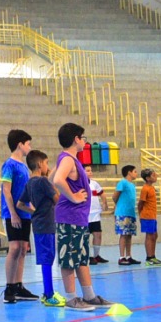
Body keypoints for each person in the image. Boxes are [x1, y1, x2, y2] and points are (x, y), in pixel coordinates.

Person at [52, 125, 111, 311]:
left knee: (81, 258)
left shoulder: (69, 159)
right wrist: (73, 197)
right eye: (82, 137)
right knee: (69, 258)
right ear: (76, 139)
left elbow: (51, 178)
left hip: (78, 219)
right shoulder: (68, 160)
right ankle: (71, 298)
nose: (84, 140)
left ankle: (89, 296)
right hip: (69, 218)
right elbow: (56, 180)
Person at [1, 129, 37, 303]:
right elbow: (6, 190)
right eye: (28, 143)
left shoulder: (24, 166)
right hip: (12, 213)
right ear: (19, 144)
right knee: (14, 248)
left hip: (25, 214)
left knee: (23, 249)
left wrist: (32, 211)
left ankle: (18, 286)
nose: (30, 147)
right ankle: (9, 287)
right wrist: (13, 214)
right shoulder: (9, 165)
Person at [23, 150, 63, 307]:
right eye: (46, 163)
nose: (47, 166)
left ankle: (48, 292)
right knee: (48, 259)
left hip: (38, 224)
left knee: (46, 258)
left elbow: (20, 203)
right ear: (40, 164)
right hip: (46, 224)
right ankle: (48, 294)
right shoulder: (43, 182)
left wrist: (34, 212)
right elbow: (57, 199)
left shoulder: (30, 183)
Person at [114, 165, 140, 265]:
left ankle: (128, 256)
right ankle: (121, 257)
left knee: (129, 235)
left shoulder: (132, 185)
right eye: (135, 171)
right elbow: (115, 196)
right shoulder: (123, 183)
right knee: (123, 234)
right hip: (122, 213)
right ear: (129, 172)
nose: (136, 173)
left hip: (130, 213)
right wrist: (119, 206)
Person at [139, 168, 161, 266]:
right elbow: (141, 203)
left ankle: (153, 256)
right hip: (147, 216)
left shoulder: (152, 188)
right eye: (153, 175)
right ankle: (149, 258)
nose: (156, 176)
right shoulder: (145, 189)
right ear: (147, 178)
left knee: (154, 236)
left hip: (152, 216)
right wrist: (141, 215)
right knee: (149, 236)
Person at [85, 165, 107, 264]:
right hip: (85, 215)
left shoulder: (94, 183)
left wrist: (104, 202)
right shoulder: (80, 184)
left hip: (95, 214)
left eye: (91, 170)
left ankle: (96, 255)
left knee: (97, 234)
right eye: (88, 171)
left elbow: (102, 193)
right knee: (85, 236)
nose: (90, 172)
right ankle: (87, 256)